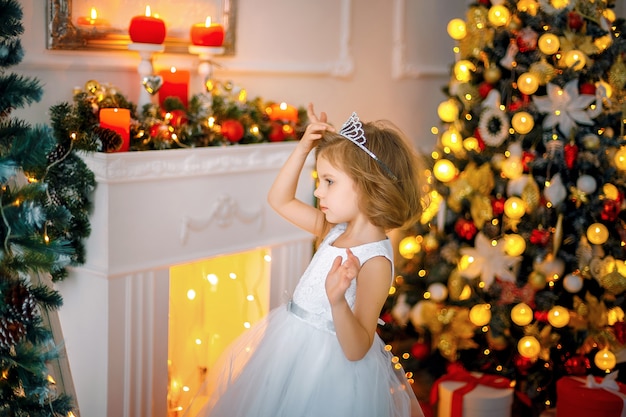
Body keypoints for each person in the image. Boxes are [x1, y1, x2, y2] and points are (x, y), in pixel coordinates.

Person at [202, 104, 426, 417]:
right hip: (289, 350)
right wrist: (305, 146)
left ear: (368, 184)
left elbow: (357, 347)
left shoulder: (375, 260)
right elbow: (279, 199)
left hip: (326, 371)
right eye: (319, 180)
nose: (318, 192)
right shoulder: (333, 231)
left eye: (329, 182)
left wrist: (337, 302)